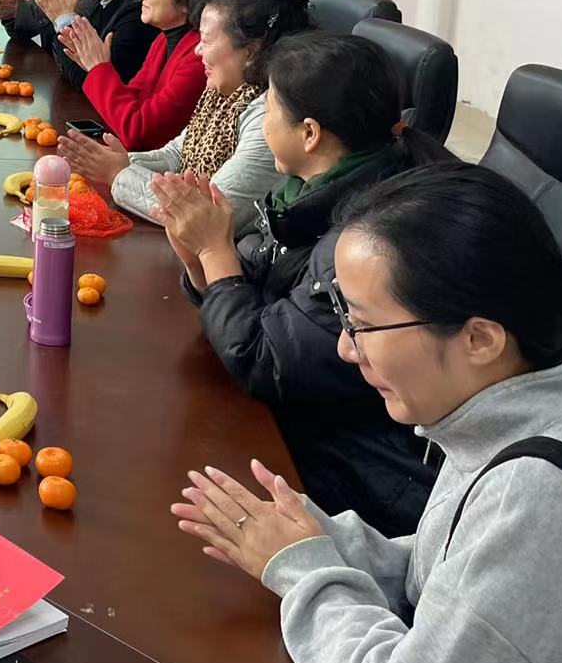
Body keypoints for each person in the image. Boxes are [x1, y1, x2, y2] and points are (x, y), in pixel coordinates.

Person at [171, 165, 562, 663]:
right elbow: (442, 580)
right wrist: (318, 541)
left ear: (479, 340)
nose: (346, 347)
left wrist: (305, 571)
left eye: (361, 324)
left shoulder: (538, 498)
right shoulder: (499, 416)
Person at [152, 33, 456, 535]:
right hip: (304, 425)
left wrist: (214, 253)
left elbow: (267, 361)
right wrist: (198, 259)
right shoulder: (306, 192)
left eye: (268, 109)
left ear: (309, 133)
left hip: (355, 474)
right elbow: (253, 285)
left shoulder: (367, 237)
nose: (260, 122)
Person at [59, 0, 311, 236]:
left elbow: (211, 212)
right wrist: (115, 161)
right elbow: (176, 154)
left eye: (206, 40)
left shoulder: (271, 116)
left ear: (251, 51)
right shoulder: (227, 90)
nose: (197, 50)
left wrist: (118, 174)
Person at [60, 0, 227, 150]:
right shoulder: (163, 39)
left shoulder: (201, 55)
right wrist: (97, 68)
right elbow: (134, 99)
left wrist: (98, 68)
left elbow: (138, 132)